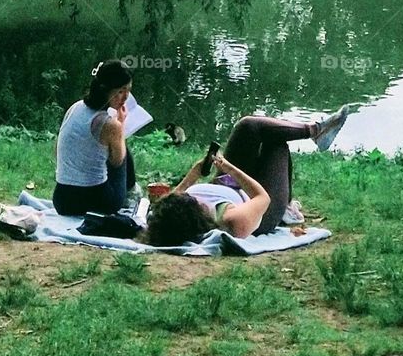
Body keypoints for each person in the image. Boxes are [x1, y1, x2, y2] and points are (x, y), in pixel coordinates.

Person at [145, 106, 350, 246]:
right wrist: (229, 168)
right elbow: (262, 198)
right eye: (192, 200)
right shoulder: (231, 220)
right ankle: (286, 206)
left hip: (228, 182)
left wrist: (196, 172)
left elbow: (173, 198)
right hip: (262, 204)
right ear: (197, 214)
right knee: (276, 143)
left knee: (248, 125)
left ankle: (315, 131)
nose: (187, 195)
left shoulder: (169, 212)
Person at [52, 59, 138, 216]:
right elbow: (117, 163)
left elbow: (57, 150)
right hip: (99, 203)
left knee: (103, 145)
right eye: (120, 91)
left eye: (128, 90)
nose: (125, 97)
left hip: (62, 201)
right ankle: (132, 193)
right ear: (104, 89)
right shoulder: (110, 124)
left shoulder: (74, 107)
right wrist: (121, 124)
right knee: (123, 149)